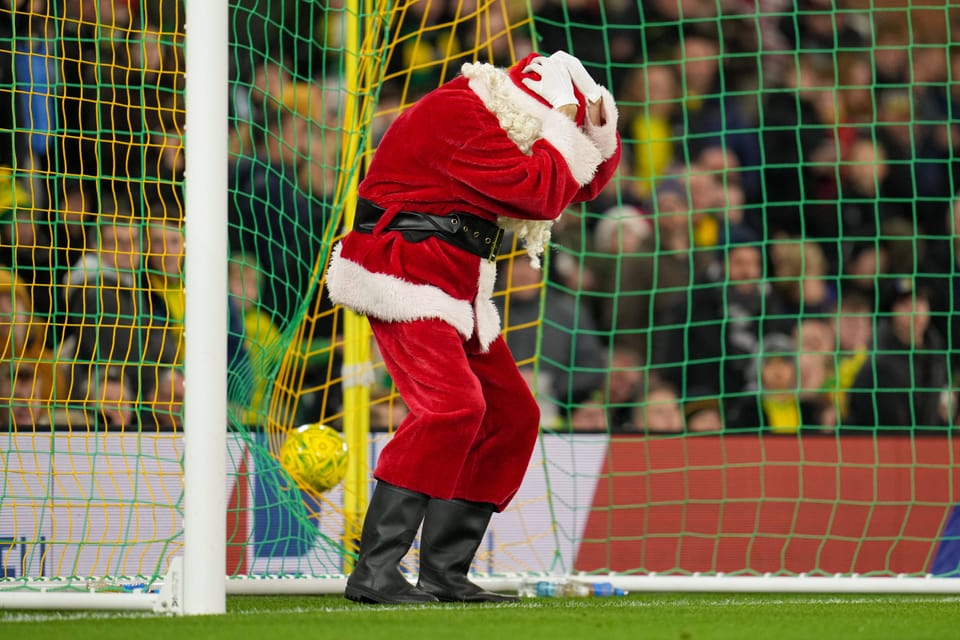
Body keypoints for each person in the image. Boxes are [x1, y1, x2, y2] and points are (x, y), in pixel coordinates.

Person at [325, 50, 620, 604]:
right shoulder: (460, 113)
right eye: (559, 119)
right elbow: (540, 194)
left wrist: (599, 131)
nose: (558, 129)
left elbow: (577, 186)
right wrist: (561, 124)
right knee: (453, 408)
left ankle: (444, 572)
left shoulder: (504, 114)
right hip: (404, 268)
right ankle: (374, 572)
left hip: (456, 281)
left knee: (512, 415)